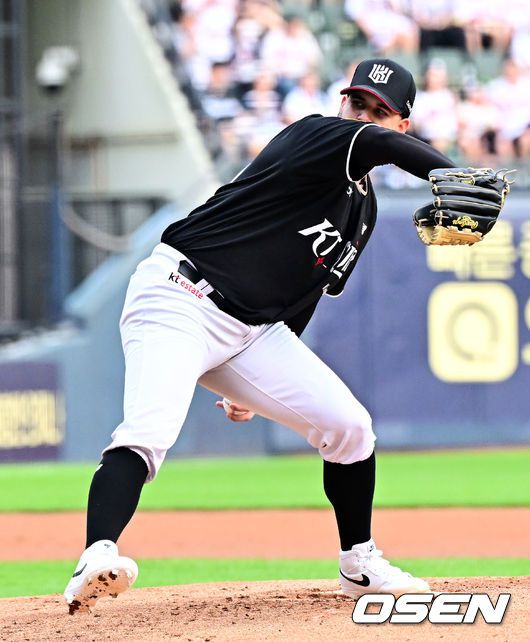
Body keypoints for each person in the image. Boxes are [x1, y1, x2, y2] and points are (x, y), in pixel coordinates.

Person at [64, 58, 458, 614]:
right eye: (357, 103)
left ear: (403, 122)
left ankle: (359, 564)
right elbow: (379, 146)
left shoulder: (363, 211)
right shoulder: (317, 135)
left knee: (349, 426)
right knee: (150, 429)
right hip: (180, 295)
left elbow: (307, 290)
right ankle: (96, 555)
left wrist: (254, 380)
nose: (363, 116)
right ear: (342, 103)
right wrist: (454, 175)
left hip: (251, 331)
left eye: (379, 111)